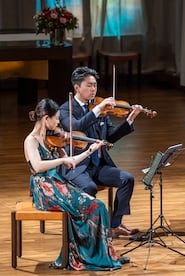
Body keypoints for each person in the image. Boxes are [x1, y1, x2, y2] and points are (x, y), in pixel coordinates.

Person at [24, 98, 129, 270]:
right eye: (56, 118)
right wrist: (61, 160)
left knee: (98, 206)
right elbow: (37, 166)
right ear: (46, 119)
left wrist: (90, 150)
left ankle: (103, 254)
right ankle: (90, 255)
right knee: (93, 206)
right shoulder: (31, 140)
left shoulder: (50, 139)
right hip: (44, 190)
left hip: (57, 185)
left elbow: (71, 162)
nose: (59, 122)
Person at [59, 66, 142, 237]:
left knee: (127, 179)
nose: (93, 89)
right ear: (77, 87)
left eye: (95, 85)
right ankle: (86, 230)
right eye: (89, 85)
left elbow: (109, 138)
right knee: (89, 187)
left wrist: (129, 120)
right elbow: (77, 126)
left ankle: (114, 225)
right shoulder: (66, 109)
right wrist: (98, 109)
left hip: (98, 165)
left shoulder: (100, 109)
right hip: (76, 166)